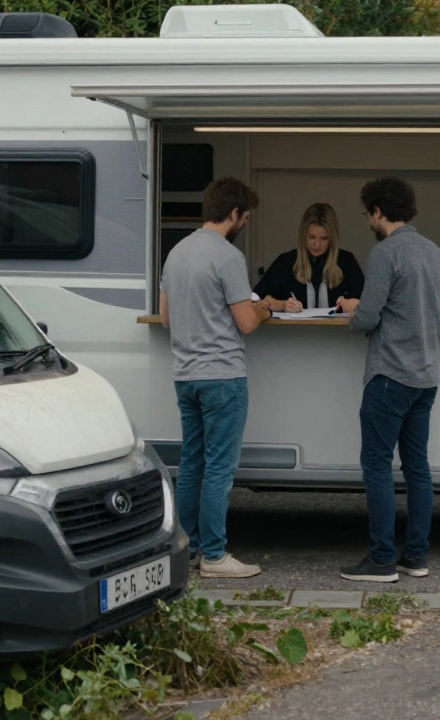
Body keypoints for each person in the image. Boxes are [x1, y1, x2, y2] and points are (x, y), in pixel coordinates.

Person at [334, 177, 440, 583]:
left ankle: (382, 559)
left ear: (379, 212)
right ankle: (415, 557)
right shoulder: (435, 252)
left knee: (377, 466)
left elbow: (367, 317)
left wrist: (352, 309)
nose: (368, 220)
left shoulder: (385, 253)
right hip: (426, 377)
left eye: (368, 213)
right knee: (417, 467)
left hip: (388, 376)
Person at [159, 177, 272, 579]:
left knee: (191, 464)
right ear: (234, 214)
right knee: (220, 469)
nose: (245, 224)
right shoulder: (227, 257)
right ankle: (215, 556)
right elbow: (245, 322)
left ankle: (187, 550)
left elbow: (167, 317)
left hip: (185, 375)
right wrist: (266, 310)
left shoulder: (176, 253)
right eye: (245, 217)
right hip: (222, 376)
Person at [253, 203, 365, 313]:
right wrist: (282, 305)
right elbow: (257, 299)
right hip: (293, 331)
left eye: (324, 238)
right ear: (303, 235)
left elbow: (366, 303)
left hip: (337, 331)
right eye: (311, 237)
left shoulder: (346, 262)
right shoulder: (286, 262)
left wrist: (351, 304)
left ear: (332, 239)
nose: (317, 244)